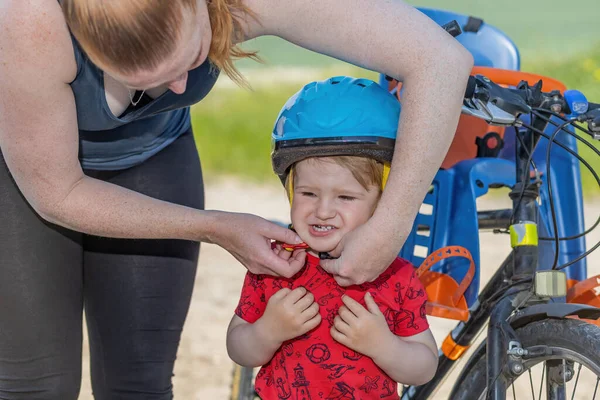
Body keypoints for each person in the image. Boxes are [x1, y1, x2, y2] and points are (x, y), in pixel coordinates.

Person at [0, 0, 470, 398]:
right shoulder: (25, 20)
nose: (182, 88)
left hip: (154, 151)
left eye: (192, 58)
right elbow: (57, 191)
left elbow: (440, 60)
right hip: (28, 169)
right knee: (35, 382)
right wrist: (213, 226)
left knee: (138, 379)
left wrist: (391, 222)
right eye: (145, 79)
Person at [227, 77, 438, 399]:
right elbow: (239, 349)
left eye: (345, 198)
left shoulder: (395, 276)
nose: (323, 211)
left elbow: (423, 367)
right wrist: (266, 332)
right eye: (309, 193)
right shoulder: (275, 264)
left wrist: (384, 346)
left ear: (384, 201)